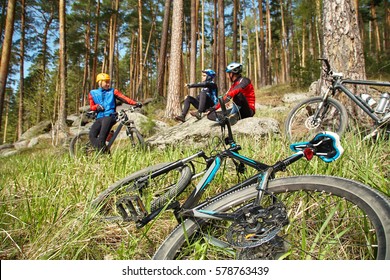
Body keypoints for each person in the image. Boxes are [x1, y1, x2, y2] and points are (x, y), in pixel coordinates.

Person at [88, 73, 142, 152]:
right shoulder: (93, 93)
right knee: (91, 135)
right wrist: (97, 107)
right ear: (100, 82)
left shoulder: (113, 91)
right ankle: (101, 152)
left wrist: (135, 103)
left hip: (110, 116)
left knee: (101, 139)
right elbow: (91, 107)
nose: (108, 84)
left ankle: (105, 157)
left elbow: (124, 98)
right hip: (99, 117)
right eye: (106, 82)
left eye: (108, 82)